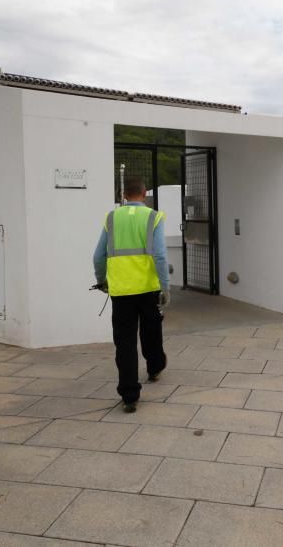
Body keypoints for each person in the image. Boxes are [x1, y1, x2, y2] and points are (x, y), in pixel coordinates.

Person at [93, 176, 170, 413]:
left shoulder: (111, 218)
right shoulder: (154, 217)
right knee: (152, 329)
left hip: (121, 290)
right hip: (148, 287)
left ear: (124, 195)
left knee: (124, 342)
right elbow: (160, 255)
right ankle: (155, 367)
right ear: (144, 194)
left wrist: (101, 281)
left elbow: (98, 256)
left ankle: (129, 395)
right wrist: (165, 286)